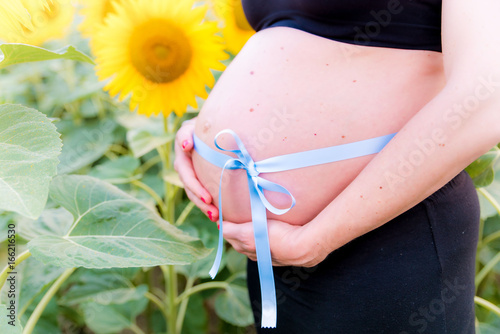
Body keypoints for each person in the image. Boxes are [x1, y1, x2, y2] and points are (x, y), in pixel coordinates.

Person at [174, 0, 500, 332]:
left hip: (388, 242)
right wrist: (203, 134)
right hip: (273, 254)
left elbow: (488, 94)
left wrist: (314, 241)